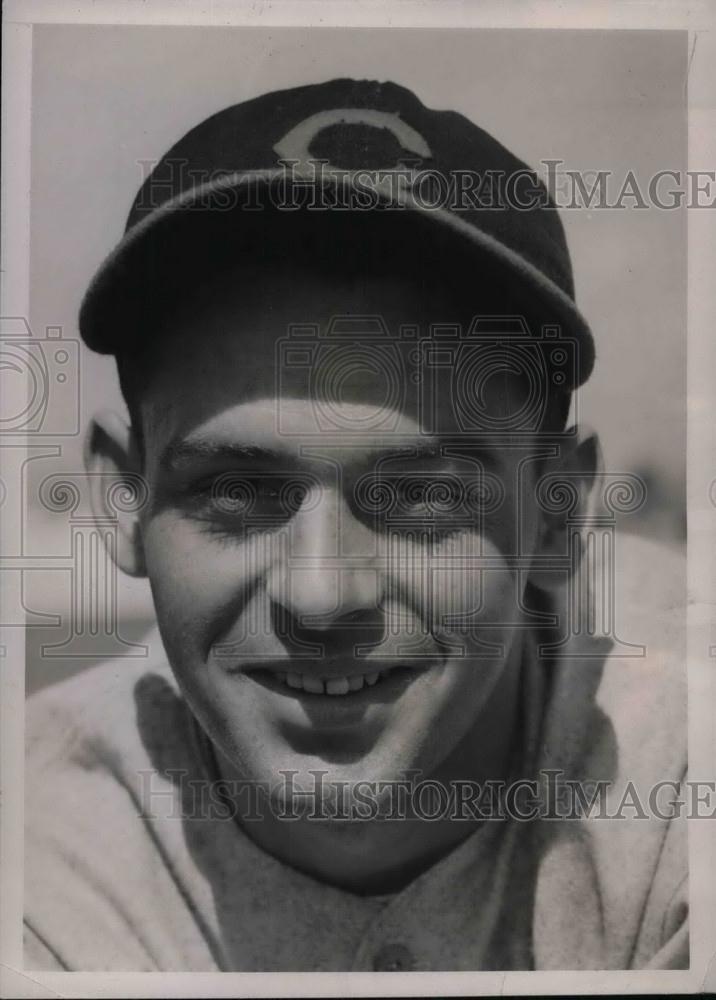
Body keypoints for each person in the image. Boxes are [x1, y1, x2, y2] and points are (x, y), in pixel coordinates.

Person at [24, 78, 687, 972]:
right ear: (125, 501)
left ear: (557, 511)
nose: (322, 594)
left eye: (421, 495)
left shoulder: (680, 790)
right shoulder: (34, 849)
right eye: (238, 491)